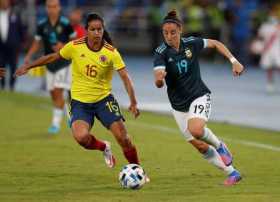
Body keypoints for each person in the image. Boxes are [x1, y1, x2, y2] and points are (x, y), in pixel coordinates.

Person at [14, 13, 149, 180]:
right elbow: (52, 57)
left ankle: (139, 171)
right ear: (86, 31)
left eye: (99, 29)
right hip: (80, 103)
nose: (97, 33)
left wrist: (133, 102)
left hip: (103, 100)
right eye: (93, 29)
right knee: (81, 138)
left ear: (103, 30)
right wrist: (29, 65)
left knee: (124, 138)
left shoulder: (111, 52)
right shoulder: (75, 46)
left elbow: (126, 78)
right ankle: (103, 147)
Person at [153, 10, 244, 186]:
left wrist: (234, 61)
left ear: (180, 30)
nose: (169, 36)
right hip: (178, 106)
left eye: (173, 32)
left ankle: (220, 146)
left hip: (199, 95)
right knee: (200, 145)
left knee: (196, 129)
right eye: (165, 33)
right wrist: (159, 80)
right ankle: (232, 173)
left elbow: (216, 43)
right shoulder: (161, 52)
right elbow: (158, 80)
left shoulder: (191, 43)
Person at [24, 0, 76, 134]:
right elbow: (36, 42)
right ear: (46, 8)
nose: (52, 9)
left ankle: (55, 124)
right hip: (49, 63)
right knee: (54, 94)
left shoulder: (66, 24)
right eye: (49, 7)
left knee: (58, 91)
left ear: (59, 8)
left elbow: (75, 42)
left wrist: (63, 46)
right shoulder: (42, 25)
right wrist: (28, 56)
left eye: (54, 6)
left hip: (63, 63)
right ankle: (70, 114)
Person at [0, 0, 25, 91]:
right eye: (2, 1)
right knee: (1, 66)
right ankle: (2, 86)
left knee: (13, 66)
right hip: (1, 47)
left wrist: (22, 42)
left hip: (13, 46)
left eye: (6, 1)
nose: (4, 3)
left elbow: (21, 29)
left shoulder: (15, 14)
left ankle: (12, 86)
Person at [257, 5, 280, 93]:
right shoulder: (264, 26)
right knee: (269, 68)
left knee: (279, 68)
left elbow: (274, 37)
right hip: (267, 51)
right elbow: (260, 37)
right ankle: (270, 85)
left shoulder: (278, 26)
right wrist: (259, 46)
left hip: (277, 50)